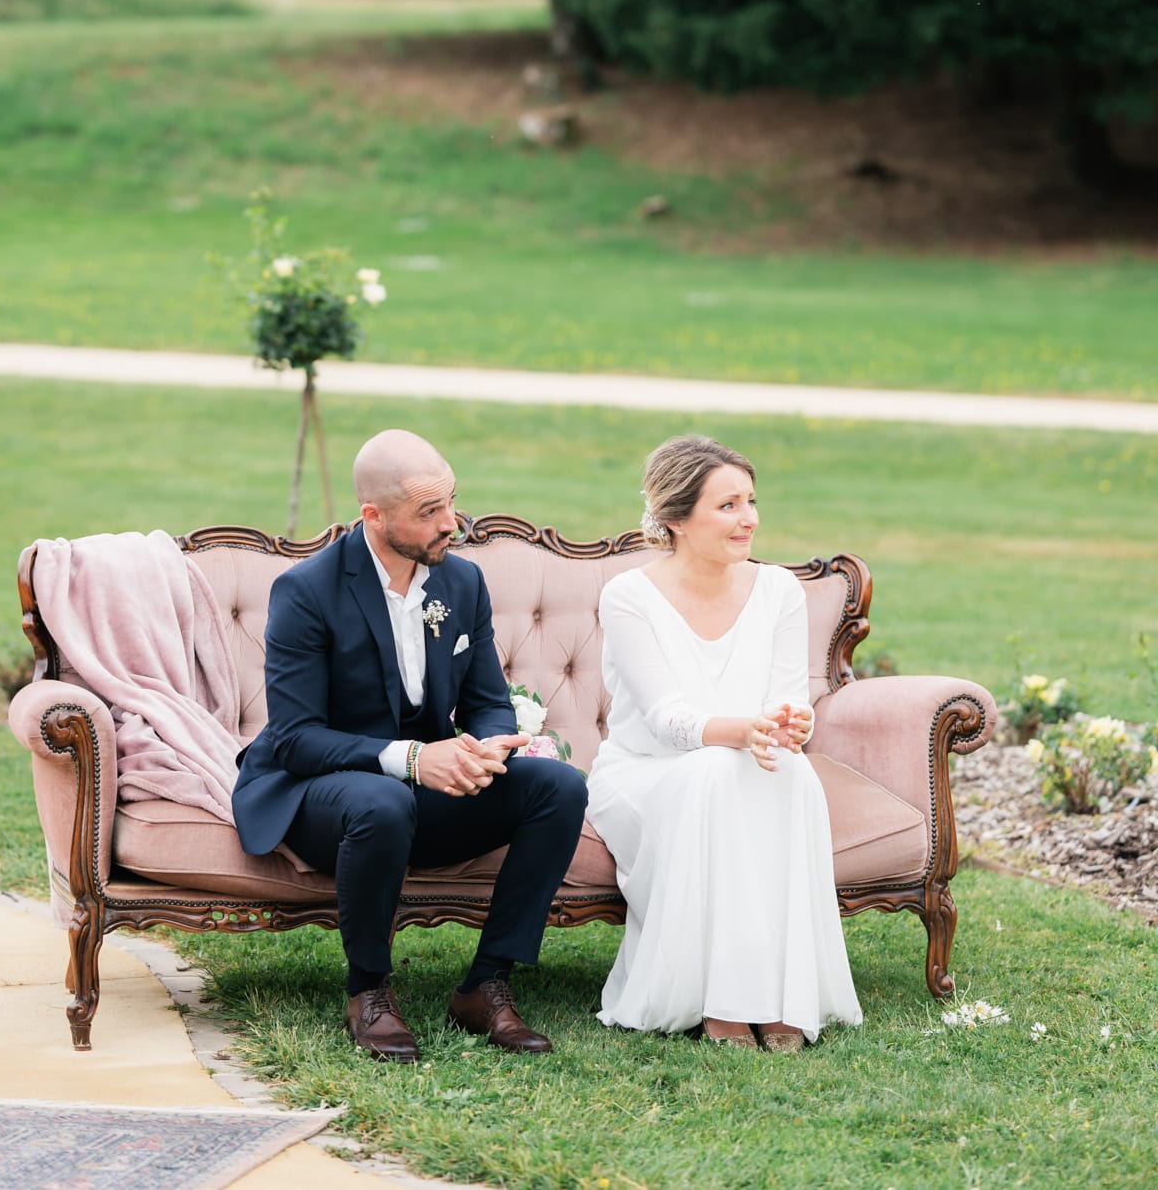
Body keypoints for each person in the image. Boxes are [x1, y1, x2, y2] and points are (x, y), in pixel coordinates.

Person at [232, 428, 588, 1063]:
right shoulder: (307, 591)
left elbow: (486, 699)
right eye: (429, 511)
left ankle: (486, 984)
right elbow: (295, 739)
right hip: (320, 794)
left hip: (419, 794)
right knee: (383, 801)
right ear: (374, 516)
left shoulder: (462, 583)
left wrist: (486, 748)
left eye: (451, 501)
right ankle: (368, 990)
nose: (451, 522)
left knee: (558, 787)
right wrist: (416, 759)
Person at [586, 434, 863, 1051]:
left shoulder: (779, 591)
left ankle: (783, 997)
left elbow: (789, 698)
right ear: (676, 519)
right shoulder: (629, 596)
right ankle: (722, 1002)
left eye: (751, 501)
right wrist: (743, 733)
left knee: (791, 773)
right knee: (715, 772)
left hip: (750, 759)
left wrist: (789, 725)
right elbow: (665, 720)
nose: (750, 519)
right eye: (729, 506)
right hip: (647, 771)